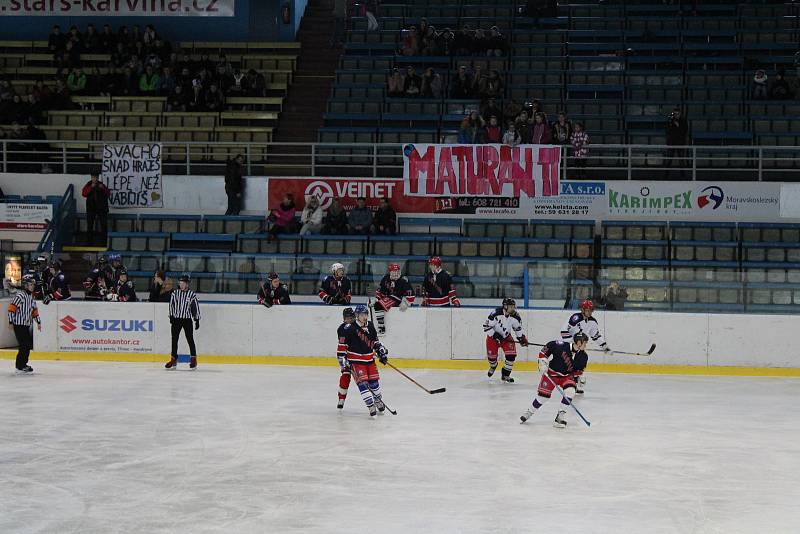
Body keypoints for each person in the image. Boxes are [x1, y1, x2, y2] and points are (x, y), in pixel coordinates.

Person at [519, 332, 589, 428]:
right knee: (543, 397)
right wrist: (542, 362)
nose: (586, 345)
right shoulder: (561, 346)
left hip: (566, 377)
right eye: (585, 343)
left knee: (570, 391)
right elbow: (544, 351)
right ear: (579, 342)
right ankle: (529, 412)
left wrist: (580, 376)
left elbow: (578, 371)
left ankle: (559, 417)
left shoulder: (583, 356)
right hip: (551, 374)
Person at [337, 304, 390, 416]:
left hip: (370, 360)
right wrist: (343, 363)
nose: (364, 316)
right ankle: (370, 406)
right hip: (356, 362)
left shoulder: (370, 326)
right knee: (363, 384)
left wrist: (381, 352)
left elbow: (375, 342)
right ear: (357, 315)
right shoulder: (349, 328)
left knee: (374, 383)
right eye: (362, 314)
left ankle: (378, 401)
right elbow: (342, 348)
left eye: (366, 314)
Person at [560, 299, 610, 394]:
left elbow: (595, 335)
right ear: (582, 310)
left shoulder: (593, 322)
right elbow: (563, 332)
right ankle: (565, 382)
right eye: (588, 310)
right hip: (568, 345)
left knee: (582, 359)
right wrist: (573, 343)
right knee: (568, 364)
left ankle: (573, 383)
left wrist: (604, 345)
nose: (590, 312)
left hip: (579, 347)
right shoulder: (575, 318)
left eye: (591, 310)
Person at [483, 298, 530, 383]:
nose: (512, 308)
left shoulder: (515, 317)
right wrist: (495, 335)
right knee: (492, 359)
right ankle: (493, 366)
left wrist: (521, 338)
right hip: (492, 338)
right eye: (510, 307)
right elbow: (486, 327)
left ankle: (505, 375)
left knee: (511, 356)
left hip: (506, 337)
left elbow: (517, 329)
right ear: (505, 306)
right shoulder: (495, 313)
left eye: (513, 307)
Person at [7, 275, 41, 374]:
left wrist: (38, 322)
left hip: (26, 325)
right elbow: (11, 309)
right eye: (31, 284)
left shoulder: (31, 296)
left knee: (26, 345)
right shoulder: (20, 296)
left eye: (33, 284)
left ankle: (22, 365)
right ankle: (20, 366)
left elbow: (34, 311)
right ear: (25, 285)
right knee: (24, 345)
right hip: (18, 325)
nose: (33, 286)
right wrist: (10, 322)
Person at [166, 274, 201, 370]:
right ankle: (173, 359)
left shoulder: (192, 295)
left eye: (183, 283)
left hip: (187, 320)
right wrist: (171, 316)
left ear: (187, 284)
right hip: (176, 319)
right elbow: (171, 305)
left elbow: (195, 307)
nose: (181, 284)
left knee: (190, 339)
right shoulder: (175, 293)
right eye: (180, 283)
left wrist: (197, 319)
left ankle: (193, 359)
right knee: (174, 339)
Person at [372, 263, 415, 336]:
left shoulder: (403, 280)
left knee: (378, 305)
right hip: (389, 297)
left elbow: (411, 293)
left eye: (397, 271)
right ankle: (381, 327)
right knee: (377, 304)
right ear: (390, 272)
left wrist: (407, 302)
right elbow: (381, 291)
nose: (395, 273)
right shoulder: (386, 278)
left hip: (398, 299)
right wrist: (376, 298)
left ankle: (381, 328)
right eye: (393, 271)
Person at [81, 172, 110, 245]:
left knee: (104, 225)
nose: (95, 179)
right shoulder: (88, 185)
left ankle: (104, 242)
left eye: (96, 177)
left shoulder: (102, 185)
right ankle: (89, 242)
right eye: (93, 177)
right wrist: (91, 187)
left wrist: (103, 188)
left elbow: (108, 193)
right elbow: (84, 194)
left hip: (102, 208)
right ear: (91, 178)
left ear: (98, 178)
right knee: (90, 226)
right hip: (91, 208)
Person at [336, 307, 356, 409]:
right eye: (347, 318)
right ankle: (341, 399)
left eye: (351, 317)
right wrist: (344, 363)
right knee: (345, 376)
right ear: (344, 318)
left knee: (365, 379)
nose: (350, 319)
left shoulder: (359, 326)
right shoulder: (341, 329)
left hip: (358, 358)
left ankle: (373, 400)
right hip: (347, 357)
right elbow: (342, 348)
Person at [665, 108, 688, 172]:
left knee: (681, 159)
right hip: (671, 142)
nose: (676, 115)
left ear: (680, 114)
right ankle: (666, 174)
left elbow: (684, 131)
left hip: (680, 142)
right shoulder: (670, 120)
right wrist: (671, 123)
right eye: (675, 114)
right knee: (669, 159)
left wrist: (678, 126)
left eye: (677, 114)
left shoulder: (683, 121)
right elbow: (667, 130)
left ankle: (683, 174)